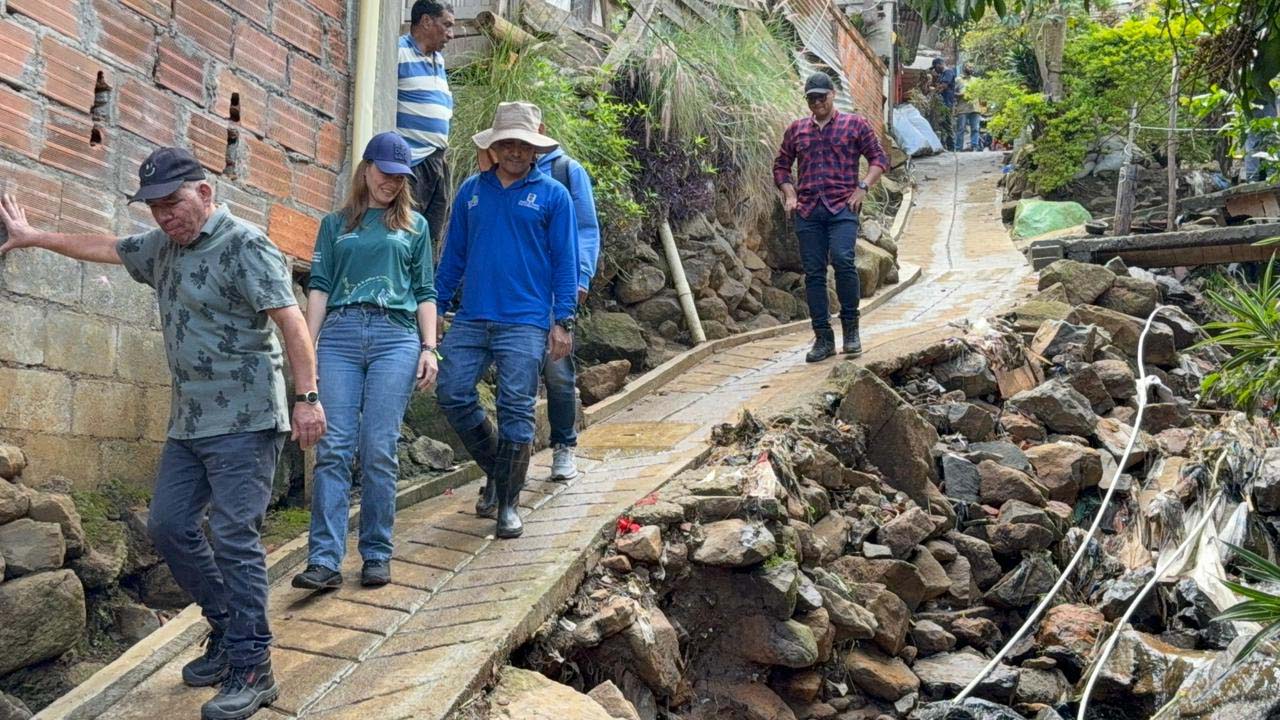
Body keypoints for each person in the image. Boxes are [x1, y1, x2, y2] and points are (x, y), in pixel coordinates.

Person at [0, 148, 326, 720]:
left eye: (171, 203)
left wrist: (307, 398)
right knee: (170, 526)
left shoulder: (245, 244)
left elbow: (291, 321)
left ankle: (254, 668)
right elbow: (105, 247)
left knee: (233, 536)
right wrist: (32, 236)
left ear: (204, 193)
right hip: (191, 422)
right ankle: (226, 626)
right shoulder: (161, 246)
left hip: (247, 418)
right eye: (153, 207)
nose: (163, 216)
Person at [290, 132, 437, 592]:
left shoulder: (415, 227)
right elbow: (319, 286)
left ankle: (376, 552)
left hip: (396, 336)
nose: (391, 182)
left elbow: (425, 292)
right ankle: (325, 560)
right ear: (367, 169)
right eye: (385, 172)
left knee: (378, 448)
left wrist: (429, 347)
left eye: (400, 176)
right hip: (341, 335)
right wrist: (307, 350)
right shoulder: (335, 225)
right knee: (333, 448)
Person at [435, 101, 578, 538]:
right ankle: (501, 472)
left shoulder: (554, 195)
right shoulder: (471, 192)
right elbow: (453, 255)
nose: (515, 151)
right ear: (494, 147)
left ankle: (509, 505)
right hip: (473, 317)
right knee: (452, 392)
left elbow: (565, 261)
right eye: (507, 143)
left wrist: (563, 320)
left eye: (523, 144)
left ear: (534, 149)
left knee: (515, 407)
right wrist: (436, 307)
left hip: (526, 321)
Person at [773, 72, 889, 363]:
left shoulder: (854, 124)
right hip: (809, 210)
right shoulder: (797, 130)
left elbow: (879, 158)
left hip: (842, 208)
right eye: (811, 98)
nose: (817, 103)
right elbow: (781, 166)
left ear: (832, 94)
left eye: (821, 97)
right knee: (813, 273)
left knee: (843, 259)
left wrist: (863, 187)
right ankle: (823, 338)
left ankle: (851, 331)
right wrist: (789, 194)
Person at [398, 0, 456, 254]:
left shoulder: (439, 61)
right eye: (447, 25)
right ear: (426, 21)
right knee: (405, 229)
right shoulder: (398, 51)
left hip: (437, 159)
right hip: (413, 161)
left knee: (430, 234)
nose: (451, 34)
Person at [930, 58, 957, 151]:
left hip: (947, 103)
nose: (935, 70)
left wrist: (934, 91)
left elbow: (943, 86)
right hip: (942, 103)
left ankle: (951, 147)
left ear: (939, 64)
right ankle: (945, 145)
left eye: (935, 67)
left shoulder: (948, 72)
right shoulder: (942, 74)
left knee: (947, 124)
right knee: (942, 124)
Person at [953, 64, 981, 152]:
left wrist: (983, 108)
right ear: (964, 68)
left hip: (975, 107)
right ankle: (958, 148)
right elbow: (952, 93)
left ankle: (974, 146)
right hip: (962, 108)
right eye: (969, 67)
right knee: (961, 129)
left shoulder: (976, 80)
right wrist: (960, 95)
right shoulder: (958, 80)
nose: (971, 69)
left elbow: (982, 94)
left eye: (972, 67)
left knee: (975, 128)